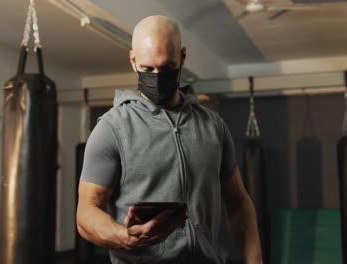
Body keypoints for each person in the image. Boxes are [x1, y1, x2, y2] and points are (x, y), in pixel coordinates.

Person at [76, 15, 262, 264]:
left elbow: (238, 203)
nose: (157, 76)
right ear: (133, 60)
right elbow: (86, 213)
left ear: (182, 58)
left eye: (166, 68)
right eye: (148, 69)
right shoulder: (112, 129)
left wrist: (255, 260)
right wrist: (124, 236)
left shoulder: (213, 126)